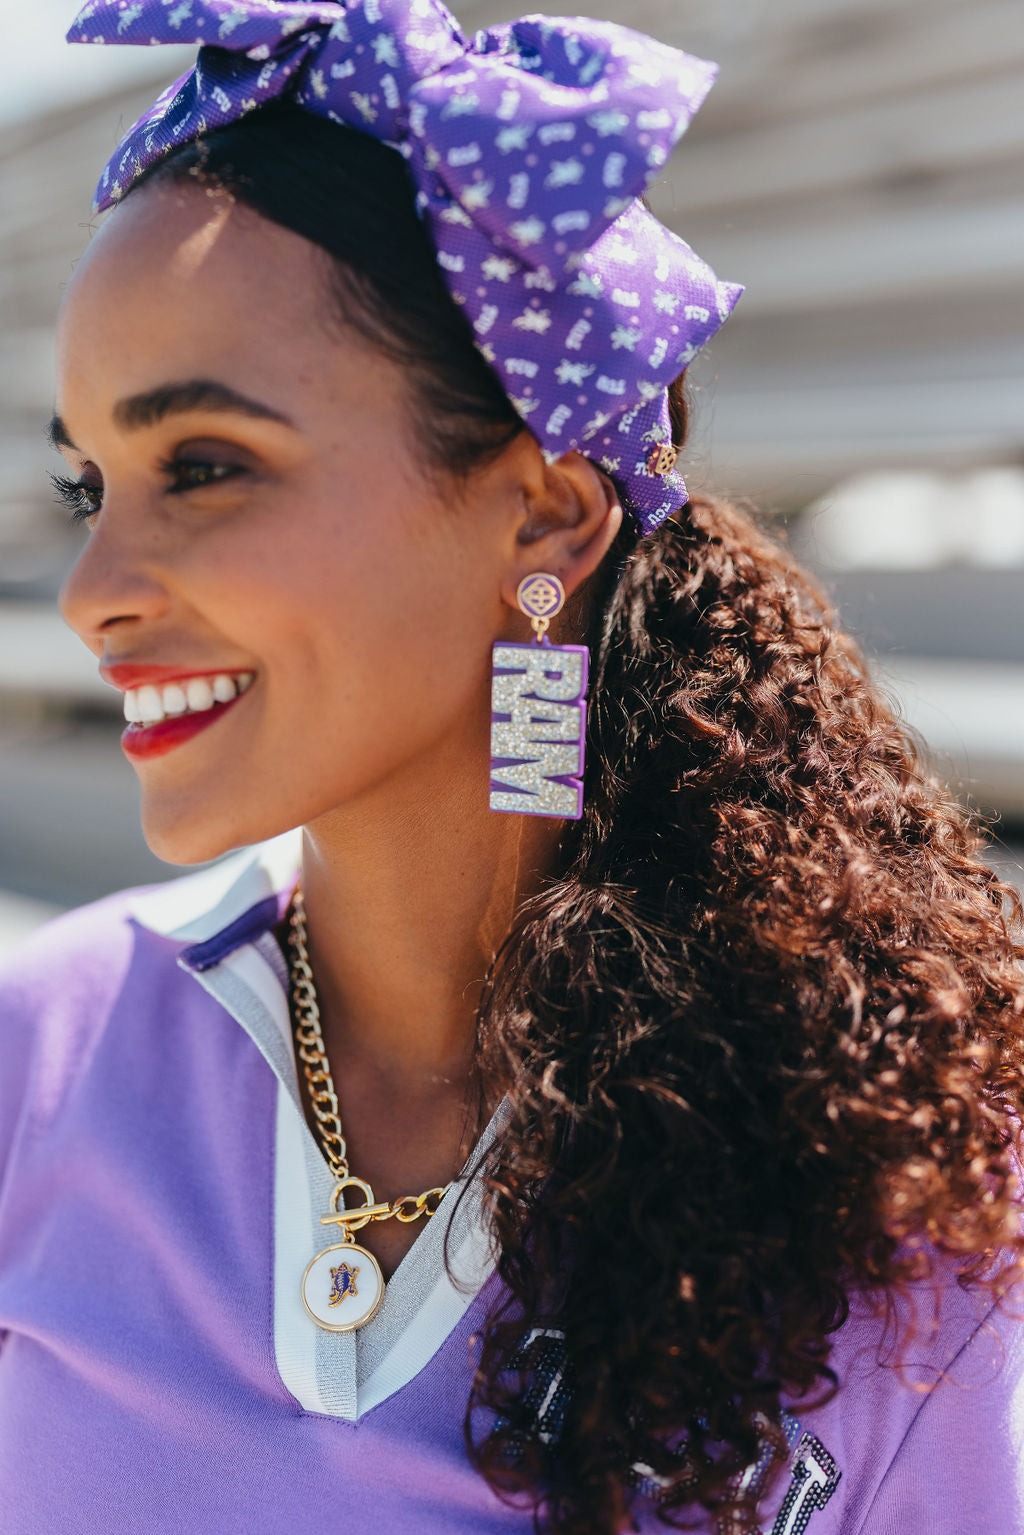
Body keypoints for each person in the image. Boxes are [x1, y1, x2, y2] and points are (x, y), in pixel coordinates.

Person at [2, 1, 1023, 1531]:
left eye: (204, 467)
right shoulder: (40, 1060)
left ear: (543, 517)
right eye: (92, 483)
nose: (94, 589)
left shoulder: (926, 1184)